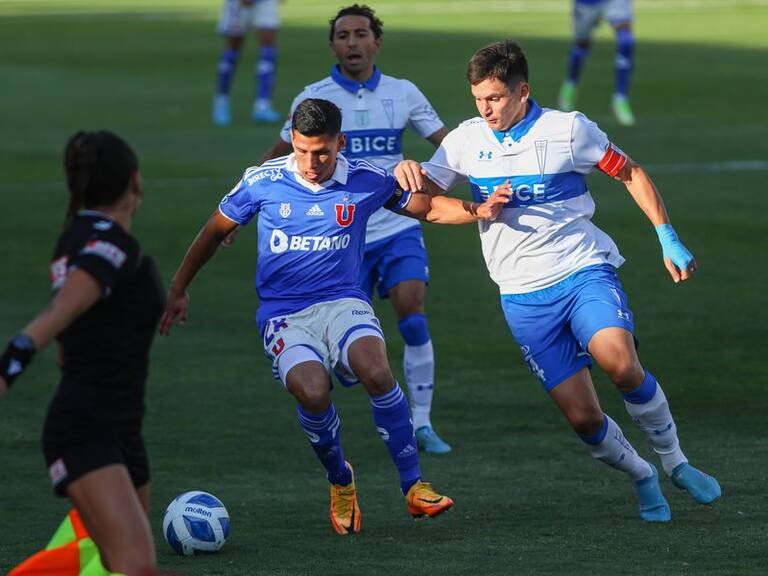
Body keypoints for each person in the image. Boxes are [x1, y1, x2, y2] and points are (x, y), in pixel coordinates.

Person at [395, 40, 721, 522]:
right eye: (477, 99)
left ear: (522, 91)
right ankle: (641, 476)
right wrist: (433, 187)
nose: (485, 109)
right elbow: (424, 203)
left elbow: (629, 173)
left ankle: (675, 462)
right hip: (522, 295)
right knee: (584, 418)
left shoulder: (569, 130)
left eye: (495, 98)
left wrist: (666, 236)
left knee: (621, 363)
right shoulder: (465, 141)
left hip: (582, 270)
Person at [160, 98, 507, 534]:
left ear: (340, 143)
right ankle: (341, 481)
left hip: (344, 300)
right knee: (312, 391)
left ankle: (414, 486)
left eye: (322, 152)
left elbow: (427, 207)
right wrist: (178, 287)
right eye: (302, 151)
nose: (310, 162)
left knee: (376, 371)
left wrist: (478, 210)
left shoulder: (365, 179)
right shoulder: (262, 181)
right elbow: (215, 230)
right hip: (284, 314)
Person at [260, 4, 452, 454]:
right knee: (344, 344)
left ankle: (421, 422)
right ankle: (345, 364)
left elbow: (447, 145)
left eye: (361, 34)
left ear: (376, 42)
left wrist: (472, 176)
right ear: (332, 45)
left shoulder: (404, 93)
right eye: (343, 36)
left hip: (397, 223)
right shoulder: (315, 98)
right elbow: (281, 154)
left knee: (412, 308)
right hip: (339, 236)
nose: (352, 43)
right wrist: (245, 204)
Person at [0, 131, 164, 573]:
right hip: (86, 426)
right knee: (136, 567)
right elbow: (65, 308)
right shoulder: (111, 246)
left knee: (112, 564)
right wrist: (14, 357)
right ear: (135, 182)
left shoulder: (73, 236)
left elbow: (75, 336)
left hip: (122, 424)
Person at [558, 0, 636, 126]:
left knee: (625, 41)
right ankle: (571, 84)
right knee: (581, 45)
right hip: (586, 3)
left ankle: (621, 98)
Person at [213, 0, 282, 125]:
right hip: (237, 4)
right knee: (232, 50)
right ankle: (221, 102)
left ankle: (263, 105)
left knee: (268, 51)